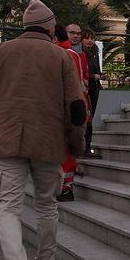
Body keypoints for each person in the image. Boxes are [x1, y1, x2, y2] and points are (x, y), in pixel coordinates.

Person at [0, 0, 87, 260]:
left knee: (8, 206)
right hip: (48, 142)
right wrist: (76, 144)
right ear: (51, 27)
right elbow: (76, 107)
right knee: (47, 204)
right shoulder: (60, 56)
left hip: (8, 140)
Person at [54, 24, 89, 202]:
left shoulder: (66, 55)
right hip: (68, 107)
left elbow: (78, 84)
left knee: (66, 148)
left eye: (78, 33)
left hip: (64, 109)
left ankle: (65, 185)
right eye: (72, 33)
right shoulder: (72, 54)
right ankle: (64, 184)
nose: (76, 36)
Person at [81, 29, 103, 154]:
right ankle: (85, 147)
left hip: (94, 88)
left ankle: (87, 146)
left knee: (91, 117)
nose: (90, 41)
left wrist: (100, 75)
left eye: (92, 38)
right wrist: (92, 76)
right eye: (87, 38)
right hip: (86, 87)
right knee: (86, 117)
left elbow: (96, 69)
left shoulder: (95, 51)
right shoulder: (80, 53)